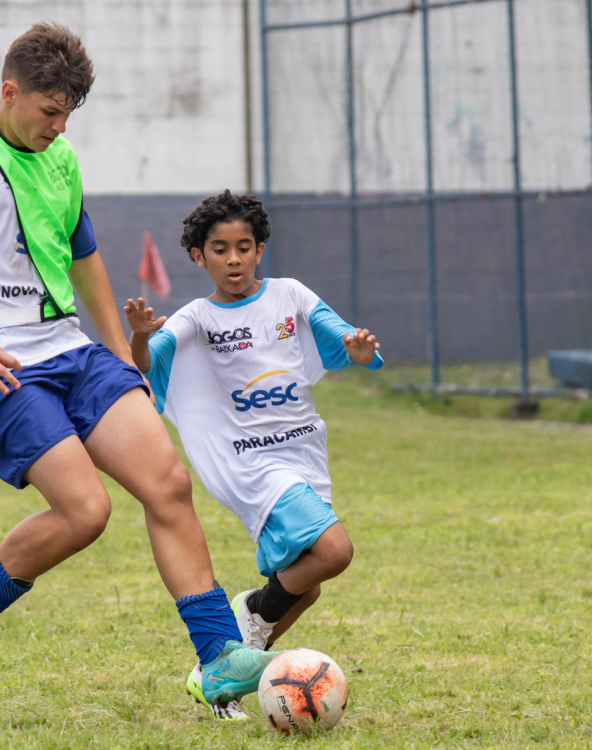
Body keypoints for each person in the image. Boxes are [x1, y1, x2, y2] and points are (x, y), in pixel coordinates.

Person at [0, 23, 275, 716]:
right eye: (49, 110)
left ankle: (218, 657)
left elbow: (85, 260)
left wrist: (126, 357)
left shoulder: (63, 159)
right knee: (85, 511)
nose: (59, 125)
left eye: (68, 112)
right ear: (10, 92)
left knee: (166, 481)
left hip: (71, 349)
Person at [123, 190, 382, 720]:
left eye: (244, 246)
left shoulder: (289, 296)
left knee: (304, 590)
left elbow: (339, 335)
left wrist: (355, 350)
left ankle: (218, 679)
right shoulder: (196, 317)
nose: (234, 259)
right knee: (334, 551)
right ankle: (251, 622)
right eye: (220, 249)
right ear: (199, 257)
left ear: (260, 249)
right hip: (251, 463)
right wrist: (140, 338)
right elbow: (148, 362)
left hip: (304, 454)